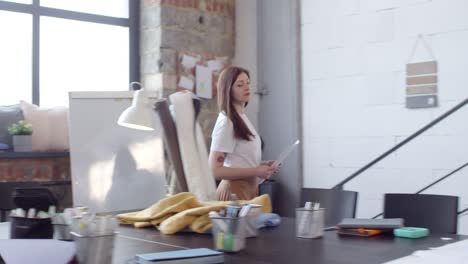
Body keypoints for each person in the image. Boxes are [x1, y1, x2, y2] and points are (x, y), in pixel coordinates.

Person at [209, 66, 278, 201]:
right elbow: (215, 170)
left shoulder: (241, 118)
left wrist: (263, 164)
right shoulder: (227, 121)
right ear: (228, 90)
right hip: (233, 192)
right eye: (240, 85)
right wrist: (256, 171)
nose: (247, 87)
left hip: (249, 189)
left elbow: (239, 159)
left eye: (248, 83)